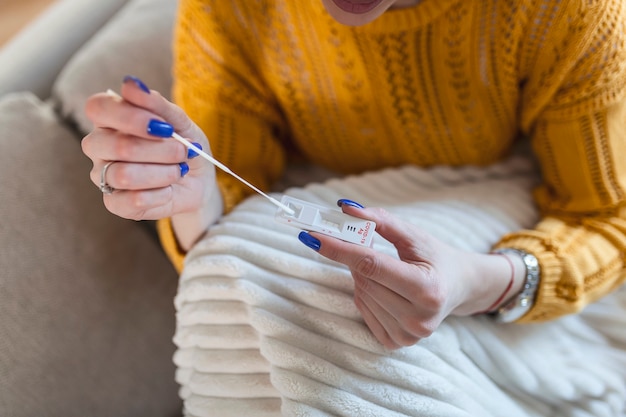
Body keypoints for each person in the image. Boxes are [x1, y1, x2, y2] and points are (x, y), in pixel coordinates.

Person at [82, 0, 626, 350]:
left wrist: (475, 283)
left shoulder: (569, 11)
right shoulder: (228, 10)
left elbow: (605, 218)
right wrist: (192, 200)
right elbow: (225, 207)